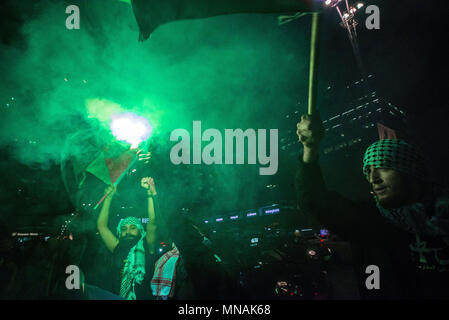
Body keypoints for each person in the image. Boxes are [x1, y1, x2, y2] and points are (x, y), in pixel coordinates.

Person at [295, 113, 449, 299]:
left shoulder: (443, 215)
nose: (374, 179)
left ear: (410, 169)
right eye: (368, 171)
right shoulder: (371, 221)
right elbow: (316, 203)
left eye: (383, 166)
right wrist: (310, 149)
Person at [97, 176, 158, 300]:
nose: (128, 232)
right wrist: (108, 197)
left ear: (140, 231)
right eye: (124, 229)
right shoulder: (117, 246)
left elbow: (153, 221)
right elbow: (101, 226)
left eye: (132, 228)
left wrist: (150, 193)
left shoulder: (147, 245)